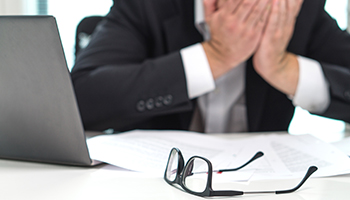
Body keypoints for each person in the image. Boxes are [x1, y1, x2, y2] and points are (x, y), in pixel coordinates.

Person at [71, 0, 350, 133]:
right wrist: (214, 56)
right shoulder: (149, 6)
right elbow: (80, 101)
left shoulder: (294, 10)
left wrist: (285, 69)